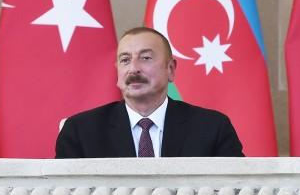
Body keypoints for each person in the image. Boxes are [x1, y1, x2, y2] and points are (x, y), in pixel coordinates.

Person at [56, 26, 244, 158]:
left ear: (170, 69)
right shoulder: (80, 131)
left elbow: (237, 194)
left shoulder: (212, 128)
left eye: (145, 58)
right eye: (125, 60)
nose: (133, 69)